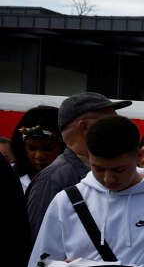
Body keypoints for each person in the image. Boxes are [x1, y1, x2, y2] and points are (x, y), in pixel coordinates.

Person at [25, 115, 144, 267]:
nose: (108, 178)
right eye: (99, 169)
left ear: (138, 156)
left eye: (119, 169)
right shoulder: (66, 200)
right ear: (89, 158)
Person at [25, 92, 130, 240]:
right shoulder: (52, 179)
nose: (118, 127)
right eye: (110, 121)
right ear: (85, 126)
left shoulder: (82, 171)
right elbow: (38, 243)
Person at [11, 106, 63, 193]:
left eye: (48, 149)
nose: (39, 156)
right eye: (32, 148)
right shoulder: (9, 175)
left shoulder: (75, 179)